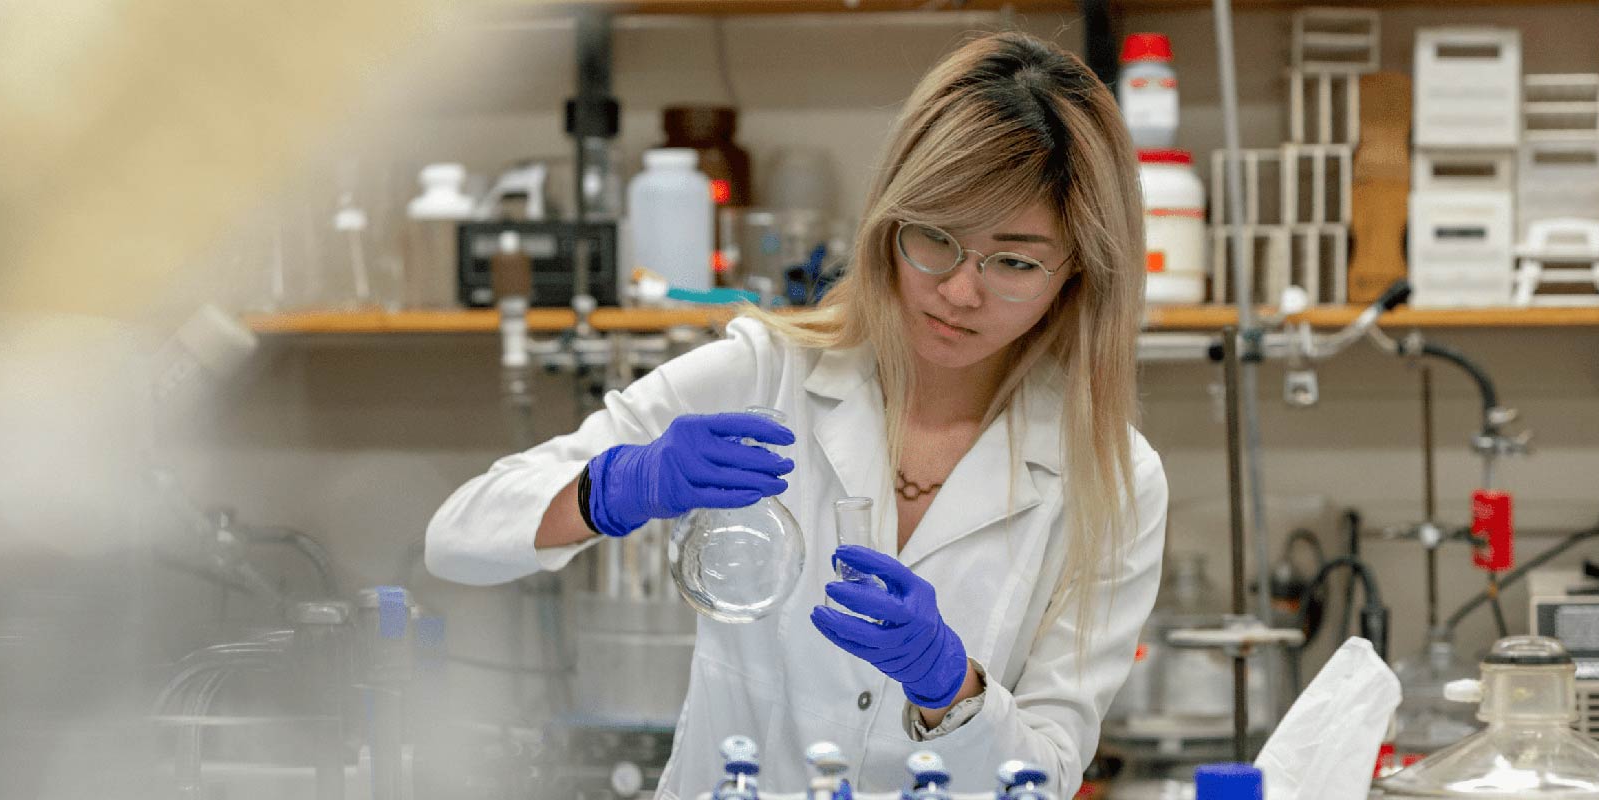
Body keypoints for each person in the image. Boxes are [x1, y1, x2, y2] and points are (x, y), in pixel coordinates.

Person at [426, 31, 1166, 797]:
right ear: (889, 222)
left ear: (1079, 268)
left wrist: (953, 688)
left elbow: (1045, 774)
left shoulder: (1114, 478)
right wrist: (615, 487)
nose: (959, 291)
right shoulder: (760, 375)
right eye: (935, 238)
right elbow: (457, 537)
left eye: (1013, 261)